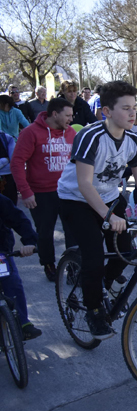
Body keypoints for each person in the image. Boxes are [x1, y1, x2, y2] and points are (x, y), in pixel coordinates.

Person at [58, 80, 137, 339]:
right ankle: (93, 312)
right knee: (93, 256)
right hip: (76, 200)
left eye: (135, 108)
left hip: (110, 199)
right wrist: (108, 215)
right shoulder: (90, 136)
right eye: (125, 108)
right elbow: (83, 184)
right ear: (106, 111)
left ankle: (102, 285)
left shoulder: (134, 141)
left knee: (127, 252)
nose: (132, 113)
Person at [11, 97, 77, 280]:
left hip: (67, 191)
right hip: (41, 192)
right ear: (54, 114)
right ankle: (49, 265)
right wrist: (25, 191)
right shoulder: (31, 132)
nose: (71, 119)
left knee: (73, 231)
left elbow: (77, 162)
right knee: (45, 233)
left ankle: (73, 266)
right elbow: (17, 162)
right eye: (68, 115)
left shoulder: (71, 133)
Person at [0, 193, 42, 340]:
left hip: (1, 252)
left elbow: (19, 220)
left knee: (12, 281)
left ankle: (22, 323)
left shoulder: (1, 201)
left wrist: (30, 242)